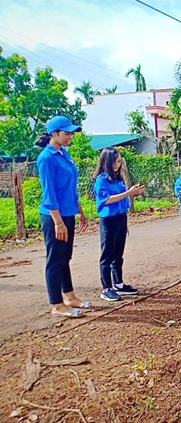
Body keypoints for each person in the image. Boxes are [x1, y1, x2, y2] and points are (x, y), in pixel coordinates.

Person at [36, 115, 90, 318]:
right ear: (54, 134)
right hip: (53, 217)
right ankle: (57, 304)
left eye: (71, 134)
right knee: (55, 259)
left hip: (67, 213)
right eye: (66, 133)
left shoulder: (64, 154)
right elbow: (49, 193)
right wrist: (58, 222)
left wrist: (80, 212)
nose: (70, 137)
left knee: (65, 257)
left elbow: (71, 188)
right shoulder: (47, 158)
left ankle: (69, 296)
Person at [92, 147, 145, 301]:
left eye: (119, 162)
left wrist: (125, 224)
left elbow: (121, 200)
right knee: (107, 256)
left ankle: (119, 284)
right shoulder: (101, 180)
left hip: (121, 218)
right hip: (109, 221)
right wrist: (129, 193)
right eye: (114, 162)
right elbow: (106, 200)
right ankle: (106, 288)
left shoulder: (117, 178)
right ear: (106, 162)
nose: (117, 164)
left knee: (118, 255)